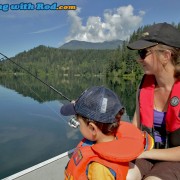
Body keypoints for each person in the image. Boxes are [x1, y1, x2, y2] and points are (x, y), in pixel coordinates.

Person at [60, 86, 152, 180]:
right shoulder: (110, 141)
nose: (78, 125)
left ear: (92, 128)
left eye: (78, 121)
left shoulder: (99, 169)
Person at [126, 22, 180, 180]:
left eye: (143, 53)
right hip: (147, 153)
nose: (138, 59)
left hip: (175, 159)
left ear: (165, 56)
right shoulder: (145, 85)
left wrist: (145, 152)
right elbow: (135, 129)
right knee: (125, 175)